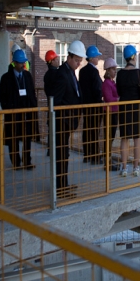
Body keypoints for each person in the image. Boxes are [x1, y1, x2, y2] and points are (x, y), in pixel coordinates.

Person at [116, 45, 140, 177]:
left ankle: (124, 168)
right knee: (137, 138)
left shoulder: (120, 74)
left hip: (124, 108)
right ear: (133, 57)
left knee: (124, 138)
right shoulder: (139, 73)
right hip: (136, 109)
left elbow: (118, 92)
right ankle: (136, 167)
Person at [54, 40, 85, 196]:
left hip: (68, 121)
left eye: (80, 61)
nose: (79, 63)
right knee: (61, 154)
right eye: (77, 60)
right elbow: (57, 100)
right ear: (70, 57)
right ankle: (60, 188)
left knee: (64, 153)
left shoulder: (70, 72)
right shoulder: (62, 73)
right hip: (62, 122)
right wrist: (62, 120)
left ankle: (63, 184)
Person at [0, 49, 38, 170]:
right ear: (14, 62)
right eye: (20, 63)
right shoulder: (6, 78)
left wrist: (33, 109)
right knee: (13, 138)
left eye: (23, 62)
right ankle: (16, 162)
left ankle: (27, 161)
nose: (22, 65)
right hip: (13, 114)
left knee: (27, 138)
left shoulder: (27, 76)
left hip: (26, 113)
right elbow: (2, 96)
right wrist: (8, 109)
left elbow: (31, 93)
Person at [79, 45, 104, 165]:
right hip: (95, 105)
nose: (98, 58)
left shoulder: (83, 71)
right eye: (97, 56)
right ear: (92, 58)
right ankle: (94, 156)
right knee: (94, 131)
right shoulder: (94, 71)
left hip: (86, 105)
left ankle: (87, 155)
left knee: (87, 129)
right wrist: (100, 100)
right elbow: (97, 89)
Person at [101, 57, 120, 172]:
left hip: (114, 112)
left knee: (111, 137)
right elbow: (108, 98)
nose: (115, 71)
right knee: (108, 137)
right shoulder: (106, 83)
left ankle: (109, 160)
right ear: (108, 70)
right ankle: (107, 162)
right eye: (113, 69)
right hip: (109, 112)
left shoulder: (112, 82)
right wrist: (118, 99)